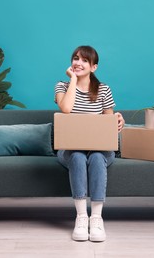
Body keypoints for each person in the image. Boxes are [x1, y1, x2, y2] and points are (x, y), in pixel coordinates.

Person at [54, 45, 125, 242]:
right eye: (76, 58)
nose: (78, 63)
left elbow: (107, 126)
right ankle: (81, 217)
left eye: (85, 60)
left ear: (94, 67)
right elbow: (66, 109)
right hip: (70, 149)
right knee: (77, 156)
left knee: (95, 157)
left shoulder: (103, 90)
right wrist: (73, 80)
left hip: (99, 150)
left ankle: (96, 218)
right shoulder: (62, 86)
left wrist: (118, 121)